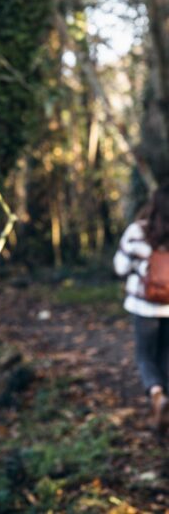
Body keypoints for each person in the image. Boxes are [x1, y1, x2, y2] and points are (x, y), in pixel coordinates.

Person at [114, 183, 169, 433]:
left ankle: (157, 394)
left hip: (143, 305)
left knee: (145, 355)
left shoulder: (138, 231)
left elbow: (121, 267)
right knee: (166, 354)